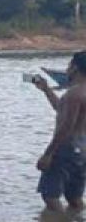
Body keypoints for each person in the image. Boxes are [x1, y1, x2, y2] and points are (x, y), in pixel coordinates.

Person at [33, 52, 86, 211]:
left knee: (50, 197)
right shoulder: (80, 93)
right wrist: (46, 90)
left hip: (67, 148)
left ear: (75, 68)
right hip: (82, 150)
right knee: (74, 197)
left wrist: (48, 154)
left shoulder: (74, 94)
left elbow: (66, 127)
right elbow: (62, 110)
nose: (67, 68)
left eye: (69, 65)